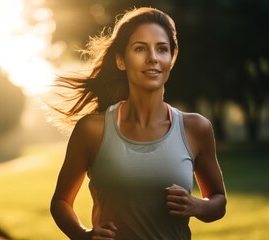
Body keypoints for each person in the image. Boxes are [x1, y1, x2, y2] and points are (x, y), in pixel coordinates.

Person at [50, 7, 227, 240]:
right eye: (140, 48)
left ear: (171, 60)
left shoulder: (195, 129)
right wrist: (82, 234)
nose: (152, 57)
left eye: (162, 49)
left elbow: (218, 200)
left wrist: (197, 206)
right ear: (121, 60)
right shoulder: (92, 130)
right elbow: (61, 201)